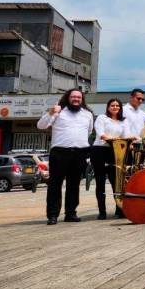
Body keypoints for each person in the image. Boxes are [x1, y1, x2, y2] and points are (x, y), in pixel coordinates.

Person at [37, 89, 94, 225]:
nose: (76, 99)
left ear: (82, 99)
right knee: (55, 185)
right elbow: (41, 125)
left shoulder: (88, 114)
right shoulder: (58, 111)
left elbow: (89, 131)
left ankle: (71, 213)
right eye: (73, 97)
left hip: (80, 153)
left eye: (78, 97)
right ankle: (52, 215)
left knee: (74, 185)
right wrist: (51, 112)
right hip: (59, 152)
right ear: (68, 98)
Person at [90, 98, 130, 219]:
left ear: (120, 108)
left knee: (116, 182)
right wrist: (110, 138)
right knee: (100, 182)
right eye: (112, 105)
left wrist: (131, 140)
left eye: (117, 105)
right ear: (108, 107)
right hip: (100, 151)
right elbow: (101, 133)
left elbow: (126, 135)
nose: (115, 107)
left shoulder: (124, 121)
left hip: (115, 151)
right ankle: (102, 212)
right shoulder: (102, 118)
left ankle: (119, 209)